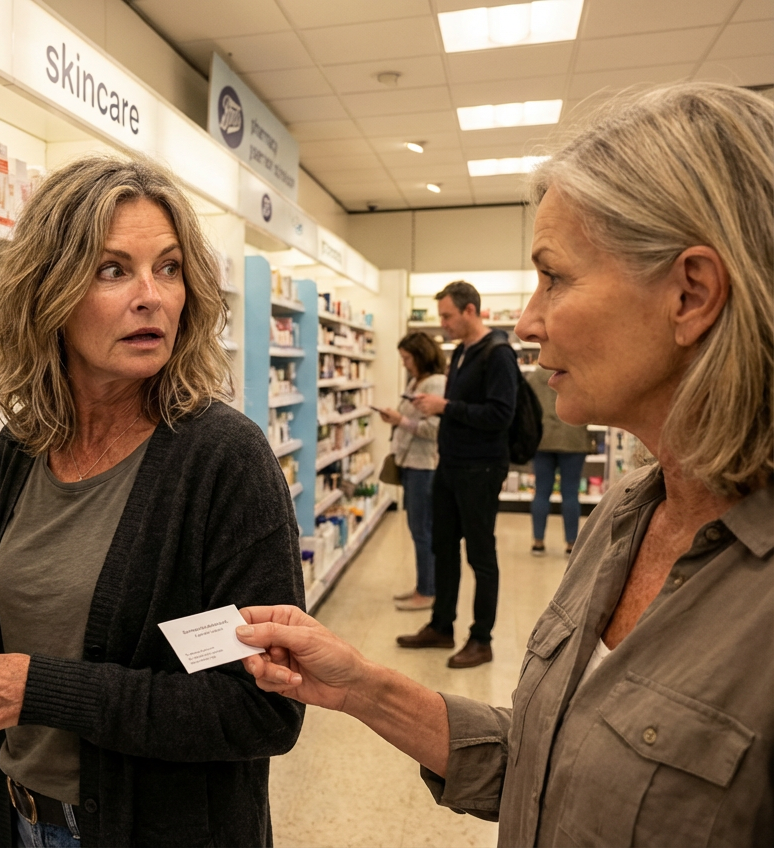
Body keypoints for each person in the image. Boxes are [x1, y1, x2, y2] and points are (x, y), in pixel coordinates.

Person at [233, 83, 774, 845]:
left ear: (691, 294)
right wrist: (361, 687)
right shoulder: (624, 515)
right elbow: (550, 762)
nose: (529, 318)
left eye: (554, 276)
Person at [0, 155, 305, 848]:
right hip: (23, 818)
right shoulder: (24, 448)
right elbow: (72, 626)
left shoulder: (223, 459)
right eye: (113, 270)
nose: (152, 296)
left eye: (169, 268)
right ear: (48, 292)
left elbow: (262, 711)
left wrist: (34, 687)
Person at [399, 280, 519, 668]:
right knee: (443, 547)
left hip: (480, 468)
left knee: (481, 556)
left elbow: (501, 415)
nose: (443, 324)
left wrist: (446, 406)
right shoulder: (463, 352)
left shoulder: (498, 353)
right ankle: (441, 626)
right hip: (450, 466)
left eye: (448, 316)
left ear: (470, 311)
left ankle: (481, 639)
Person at [378, 332, 446, 611]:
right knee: (418, 528)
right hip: (410, 464)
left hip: (424, 466)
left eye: (407, 358)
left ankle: (428, 592)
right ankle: (423, 585)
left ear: (420, 355)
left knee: (422, 530)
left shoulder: (436, 384)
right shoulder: (416, 381)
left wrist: (400, 420)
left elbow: (433, 430)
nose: (405, 364)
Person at [526, 365, 591, 555]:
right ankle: (571, 544)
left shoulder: (535, 377)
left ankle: (538, 541)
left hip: (542, 439)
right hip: (573, 438)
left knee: (541, 492)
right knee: (570, 493)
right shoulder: (579, 372)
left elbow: (527, 407)